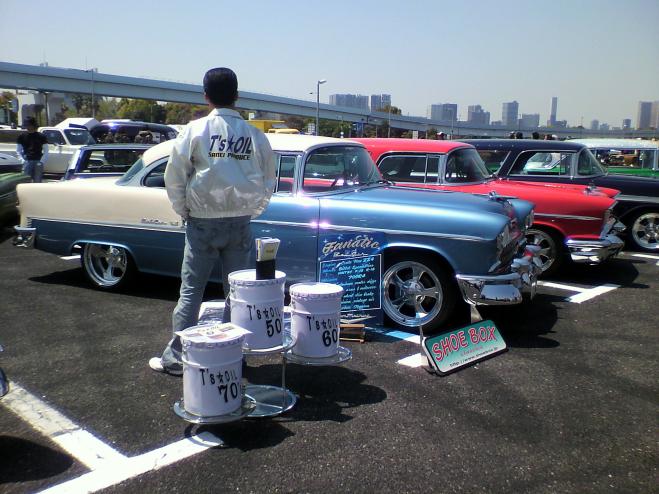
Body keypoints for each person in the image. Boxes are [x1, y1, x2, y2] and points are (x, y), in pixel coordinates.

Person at [149, 67, 276, 375]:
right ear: (237, 96)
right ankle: (232, 355)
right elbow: (268, 180)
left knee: (192, 290)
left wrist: (184, 210)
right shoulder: (254, 135)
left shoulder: (195, 130)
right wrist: (253, 211)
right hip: (240, 221)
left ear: (206, 96)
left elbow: (175, 176)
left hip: (202, 221)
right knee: (237, 293)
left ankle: (177, 357)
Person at [16, 117, 49, 182]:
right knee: (25, 181)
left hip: (38, 161)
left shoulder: (41, 136)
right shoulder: (21, 136)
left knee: (37, 182)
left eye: (29, 124)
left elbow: (46, 151)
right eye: (26, 124)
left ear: (34, 125)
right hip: (27, 161)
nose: (28, 126)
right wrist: (23, 161)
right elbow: (18, 151)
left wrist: (41, 161)